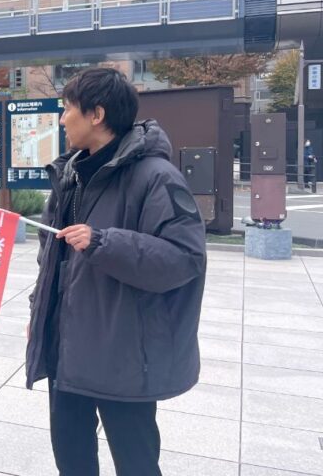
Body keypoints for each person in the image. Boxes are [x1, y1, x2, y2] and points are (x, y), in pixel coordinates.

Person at [25, 67, 206, 476]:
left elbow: (185, 258)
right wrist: (39, 311)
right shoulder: (70, 174)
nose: (61, 119)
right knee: (71, 459)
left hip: (122, 354)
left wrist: (104, 242)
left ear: (97, 114)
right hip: (66, 347)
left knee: (136, 462)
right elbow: (50, 259)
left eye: (67, 108)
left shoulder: (156, 177)